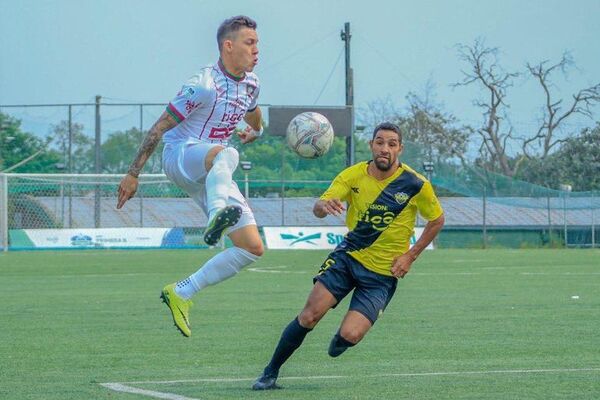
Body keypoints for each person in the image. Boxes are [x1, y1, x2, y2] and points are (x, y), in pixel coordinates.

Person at [252, 122, 445, 390]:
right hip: (348, 259)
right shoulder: (352, 176)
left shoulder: (415, 184)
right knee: (309, 316)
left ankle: (343, 339)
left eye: (391, 144)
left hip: (382, 275)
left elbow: (437, 220)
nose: (384, 148)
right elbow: (319, 208)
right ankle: (269, 373)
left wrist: (410, 256)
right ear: (371, 145)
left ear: (400, 148)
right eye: (379, 142)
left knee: (351, 335)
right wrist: (322, 205)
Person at [116, 15, 264, 338]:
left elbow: (252, 112)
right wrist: (132, 173)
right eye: (249, 43)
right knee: (228, 154)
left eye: (257, 43)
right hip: (181, 155)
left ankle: (181, 292)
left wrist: (255, 129)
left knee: (251, 248)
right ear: (228, 46)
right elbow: (159, 127)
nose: (256, 50)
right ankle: (216, 217)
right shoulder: (203, 85)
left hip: (213, 173)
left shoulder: (251, 82)